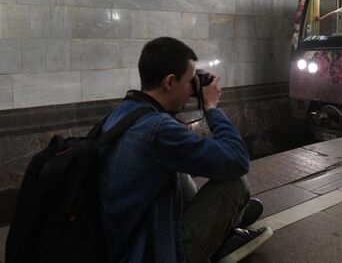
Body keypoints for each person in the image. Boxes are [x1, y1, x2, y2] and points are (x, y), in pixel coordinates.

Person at [98, 37, 272, 263]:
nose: (192, 89)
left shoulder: (119, 115)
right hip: (148, 253)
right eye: (190, 81)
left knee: (177, 171)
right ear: (169, 82)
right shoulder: (158, 129)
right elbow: (238, 160)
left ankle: (227, 221)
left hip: (118, 242)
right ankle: (221, 234)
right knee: (235, 183)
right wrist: (210, 107)